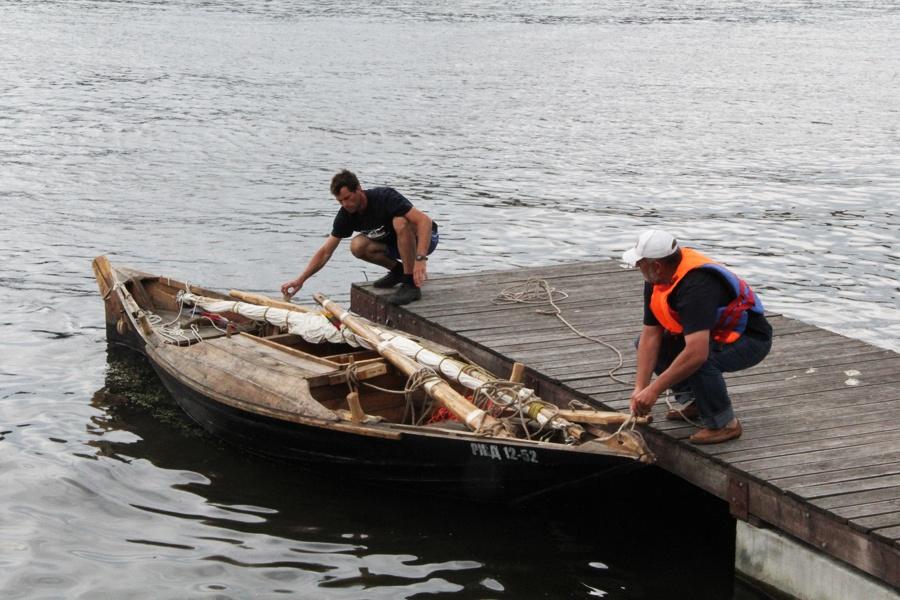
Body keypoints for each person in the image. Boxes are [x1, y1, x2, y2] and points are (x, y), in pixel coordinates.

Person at [622, 229, 772, 444]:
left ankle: (725, 424)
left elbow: (696, 353)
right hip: (711, 336)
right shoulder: (657, 278)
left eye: (640, 264)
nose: (638, 268)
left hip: (749, 340)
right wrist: (640, 389)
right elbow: (650, 335)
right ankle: (697, 402)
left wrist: (654, 391)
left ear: (656, 266)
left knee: (700, 360)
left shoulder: (696, 286)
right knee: (657, 347)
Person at [280, 169, 438, 306]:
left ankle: (410, 285)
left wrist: (420, 258)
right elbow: (326, 252)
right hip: (394, 245)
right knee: (357, 245)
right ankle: (398, 271)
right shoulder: (345, 216)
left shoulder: (384, 197)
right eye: (340, 201)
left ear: (359, 189)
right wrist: (300, 280)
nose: (345, 204)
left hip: (425, 240)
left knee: (400, 221)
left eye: (348, 198)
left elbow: (425, 221)